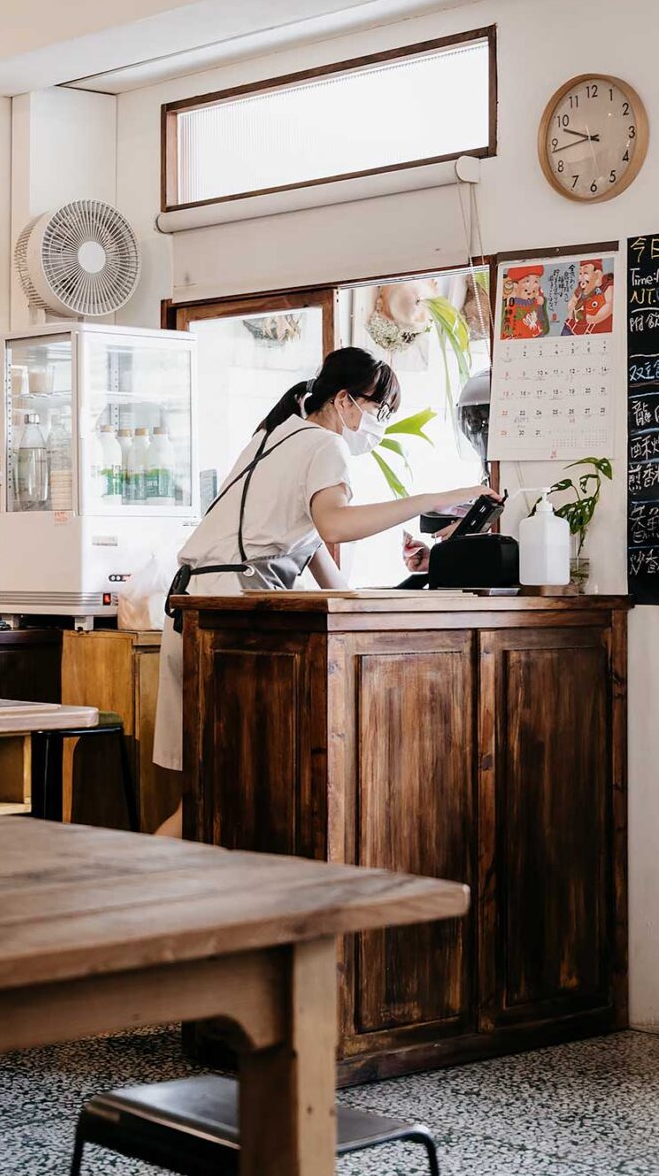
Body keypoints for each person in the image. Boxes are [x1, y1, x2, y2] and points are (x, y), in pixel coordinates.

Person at [152, 347, 497, 836]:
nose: (378, 425)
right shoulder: (322, 445)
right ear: (343, 400)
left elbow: (323, 565)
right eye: (379, 411)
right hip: (226, 611)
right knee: (223, 793)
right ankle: (145, 897)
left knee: (214, 791)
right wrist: (435, 497)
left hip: (189, 605)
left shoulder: (273, 437)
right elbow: (333, 524)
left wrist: (423, 567)